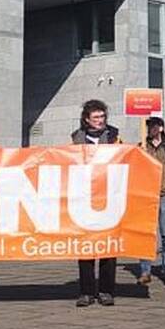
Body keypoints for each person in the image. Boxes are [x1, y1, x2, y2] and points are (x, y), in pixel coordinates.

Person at [71, 99, 121, 307]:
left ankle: (106, 290)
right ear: (86, 119)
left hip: (110, 196)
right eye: (96, 117)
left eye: (103, 117)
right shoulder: (77, 141)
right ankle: (86, 292)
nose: (100, 121)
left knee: (109, 246)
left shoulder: (115, 137)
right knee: (86, 247)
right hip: (85, 197)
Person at [137, 117, 165, 284]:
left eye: (154, 126)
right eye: (149, 127)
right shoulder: (142, 146)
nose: (151, 129)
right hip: (147, 195)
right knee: (147, 234)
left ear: (161, 128)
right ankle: (145, 271)